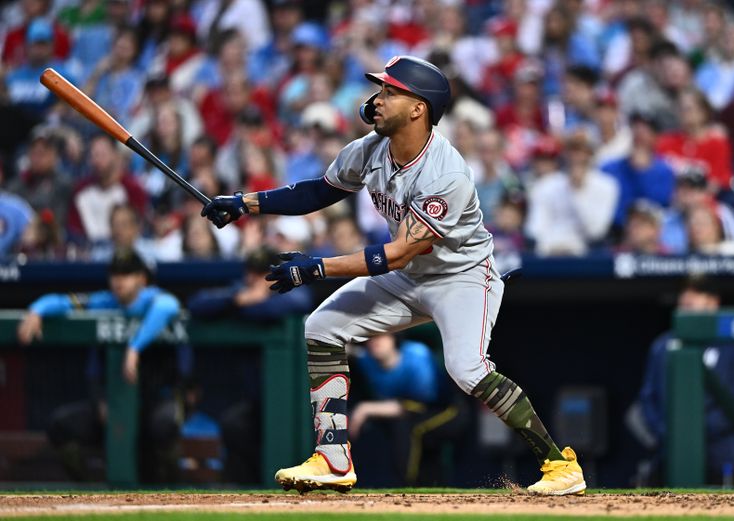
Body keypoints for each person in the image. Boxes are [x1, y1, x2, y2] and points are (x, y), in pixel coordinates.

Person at [201, 56, 586, 495]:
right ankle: (333, 459)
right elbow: (318, 191)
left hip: (460, 276)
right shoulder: (371, 148)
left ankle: (559, 466)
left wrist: (315, 268)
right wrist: (244, 202)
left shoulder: (447, 173)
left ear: (418, 108)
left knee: (467, 368)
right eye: (380, 90)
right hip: (407, 277)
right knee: (322, 327)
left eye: (389, 92)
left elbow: (399, 253)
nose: (377, 100)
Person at [16, 249, 184, 481]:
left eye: (126, 274)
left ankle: (177, 492)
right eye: (115, 274)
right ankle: (90, 489)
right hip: (113, 400)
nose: (119, 280)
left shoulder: (152, 299)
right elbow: (61, 302)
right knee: (61, 425)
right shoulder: (105, 301)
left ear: (141, 279)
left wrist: (134, 347)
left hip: (152, 401)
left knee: (163, 425)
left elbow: (168, 305)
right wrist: (37, 310)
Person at [187, 246, 314, 484]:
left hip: (294, 399)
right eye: (252, 272)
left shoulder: (293, 292)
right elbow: (197, 303)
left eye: (262, 273)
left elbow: (298, 302)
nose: (254, 279)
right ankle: (247, 488)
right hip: (253, 398)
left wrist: (254, 303)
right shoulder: (240, 292)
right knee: (234, 425)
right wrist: (237, 300)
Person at [630, 276, 734, 485]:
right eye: (684, 297)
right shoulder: (663, 345)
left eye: (696, 295)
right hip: (669, 452)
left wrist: (694, 431)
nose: (687, 300)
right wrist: (669, 432)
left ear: (713, 302)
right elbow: (647, 398)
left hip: (718, 453)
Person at [349, 333, 468, 486]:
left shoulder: (417, 355)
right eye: (371, 337)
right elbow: (350, 351)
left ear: (394, 338)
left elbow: (418, 403)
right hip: (413, 414)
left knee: (411, 429)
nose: (375, 341)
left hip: (448, 410)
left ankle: (406, 485)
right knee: (397, 428)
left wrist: (365, 409)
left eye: (381, 336)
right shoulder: (366, 360)